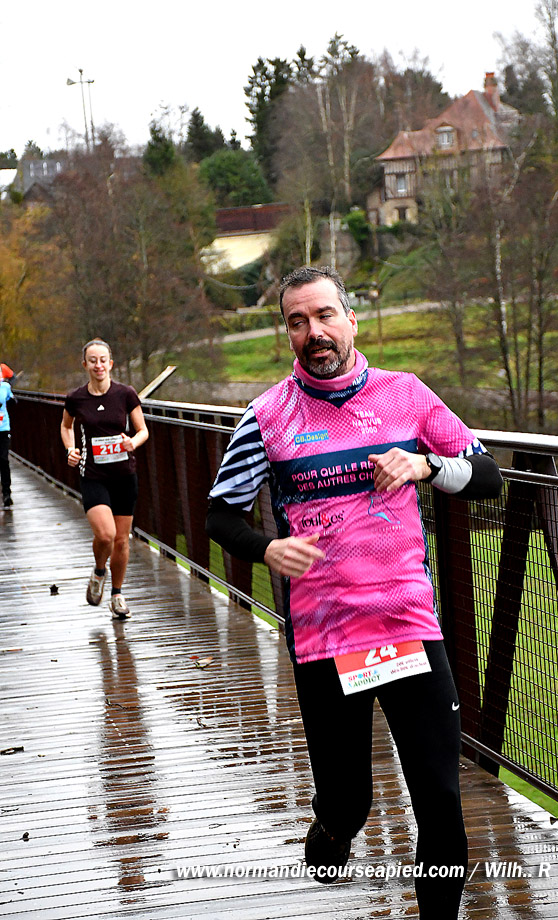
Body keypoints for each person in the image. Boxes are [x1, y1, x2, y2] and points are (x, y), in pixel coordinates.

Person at [206, 266, 503, 919]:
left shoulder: (407, 395)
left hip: (407, 627)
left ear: (351, 319)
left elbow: (487, 477)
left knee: (440, 801)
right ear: (287, 333)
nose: (313, 331)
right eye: (297, 321)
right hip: (326, 637)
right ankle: (332, 824)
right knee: (350, 802)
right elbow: (220, 515)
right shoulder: (266, 417)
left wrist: (426, 465)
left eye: (324, 315)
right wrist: (265, 548)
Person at [60, 339, 149, 619]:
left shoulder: (125, 394)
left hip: (124, 476)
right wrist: (71, 449)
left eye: (102, 360)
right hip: (94, 475)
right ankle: (100, 571)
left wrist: (133, 442)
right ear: (85, 365)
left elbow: (143, 430)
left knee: (121, 541)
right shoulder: (76, 398)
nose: (98, 365)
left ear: (110, 364)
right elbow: (66, 426)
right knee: (105, 535)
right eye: (92, 360)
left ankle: (117, 595)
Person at [0, 365, 15, 507]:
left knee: (4, 460)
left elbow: (12, 400)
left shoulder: (5, 387)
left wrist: (12, 401)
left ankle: (7, 493)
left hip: (3, 428)